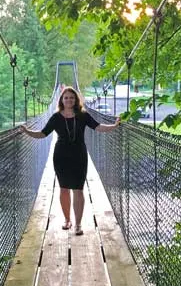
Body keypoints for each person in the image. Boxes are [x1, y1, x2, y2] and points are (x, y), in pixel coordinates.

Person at [20, 86, 120, 235]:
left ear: (76, 100)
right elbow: (42, 134)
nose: (69, 100)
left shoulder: (83, 115)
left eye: (72, 97)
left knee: (78, 189)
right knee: (64, 188)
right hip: (61, 156)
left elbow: (98, 127)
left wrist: (114, 126)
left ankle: (78, 225)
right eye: (66, 97)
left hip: (79, 155)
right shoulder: (55, 117)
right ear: (61, 99)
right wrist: (27, 132)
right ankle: (67, 220)